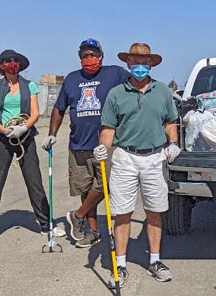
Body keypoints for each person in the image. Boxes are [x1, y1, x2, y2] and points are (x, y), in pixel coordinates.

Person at [94, 43, 180, 288]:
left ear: (151, 64)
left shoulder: (162, 91)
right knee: (122, 212)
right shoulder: (115, 94)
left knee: (154, 211)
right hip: (124, 157)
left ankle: (155, 261)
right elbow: (108, 129)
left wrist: (173, 143)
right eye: (135, 61)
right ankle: (119, 264)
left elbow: (170, 121)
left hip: (155, 157)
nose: (140, 66)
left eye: (144, 62)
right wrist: (103, 147)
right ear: (128, 63)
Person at [41, 38, 130, 248]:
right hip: (79, 143)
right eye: (85, 56)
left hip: (106, 144)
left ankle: (77, 215)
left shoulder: (115, 74)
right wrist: (52, 133)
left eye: (93, 55)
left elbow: (136, 85)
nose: (89, 59)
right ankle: (92, 232)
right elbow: (59, 108)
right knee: (85, 187)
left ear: (101, 56)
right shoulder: (72, 79)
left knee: (106, 185)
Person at [0, 50, 66, 246]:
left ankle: (47, 225)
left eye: (15, 61)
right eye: (8, 61)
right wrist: (5, 131)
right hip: (4, 138)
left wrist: (23, 127)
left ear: (20, 65)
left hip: (25, 136)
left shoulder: (29, 86)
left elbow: (35, 113)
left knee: (35, 182)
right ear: (1, 66)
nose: (12, 64)